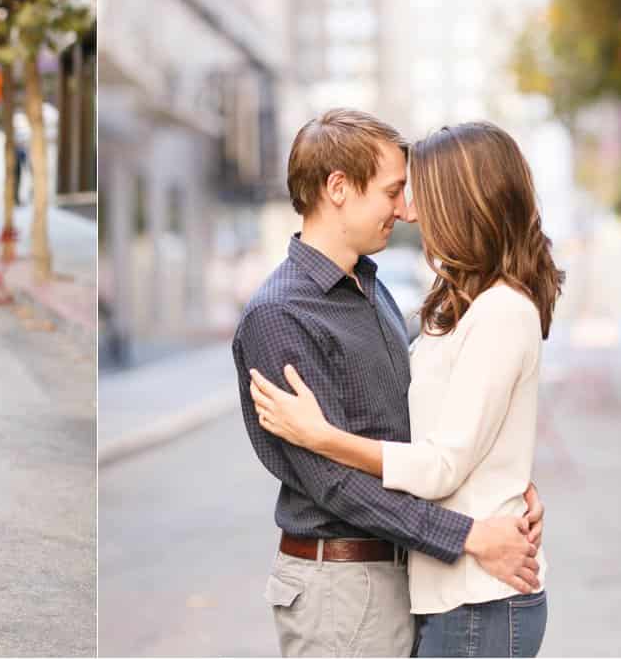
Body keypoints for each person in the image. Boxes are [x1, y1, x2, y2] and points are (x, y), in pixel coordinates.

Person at [232, 109, 546, 658]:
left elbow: (429, 423)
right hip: (343, 583)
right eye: (392, 191)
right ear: (337, 189)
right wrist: (466, 534)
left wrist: (504, 488)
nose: (404, 211)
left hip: (410, 569)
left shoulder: (371, 289)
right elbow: (331, 482)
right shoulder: (279, 314)